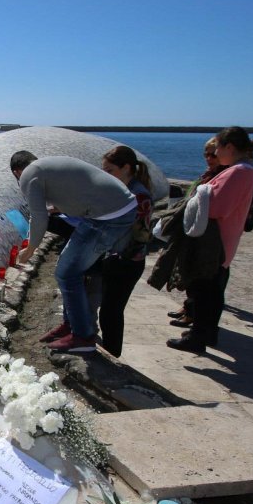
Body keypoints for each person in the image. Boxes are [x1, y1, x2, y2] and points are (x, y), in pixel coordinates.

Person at [12, 151, 136, 354]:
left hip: (108, 216)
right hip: (113, 210)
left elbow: (39, 216)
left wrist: (31, 249)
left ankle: (83, 336)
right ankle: (71, 325)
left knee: (68, 272)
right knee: (67, 269)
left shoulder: (28, 175)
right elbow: (73, 194)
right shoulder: (45, 168)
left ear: (17, 172)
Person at [167, 126, 253, 353]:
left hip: (214, 243)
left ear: (229, 146)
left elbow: (218, 207)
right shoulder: (242, 170)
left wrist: (202, 193)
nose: (215, 154)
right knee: (210, 290)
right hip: (219, 240)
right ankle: (205, 332)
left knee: (205, 290)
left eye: (217, 148)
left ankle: (198, 337)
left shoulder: (239, 172)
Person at [95, 145, 153, 357]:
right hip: (117, 259)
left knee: (111, 312)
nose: (107, 176)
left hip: (127, 262)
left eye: (110, 171)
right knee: (108, 310)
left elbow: (140, 235)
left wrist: (116, 254)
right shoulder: (126, 190)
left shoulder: (138, 195)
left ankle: (112, 354)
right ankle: (111, 351)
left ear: (126, 168)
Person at [167, 137, 228, 326]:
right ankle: (188, 307)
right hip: (195, 231)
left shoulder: (223, 177)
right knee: (191, 273)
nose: (209, 158)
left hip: (208, 237)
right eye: (206, 154)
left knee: (201, 278)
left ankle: (194, 315)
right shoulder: (209, 175)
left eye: (213, 155)